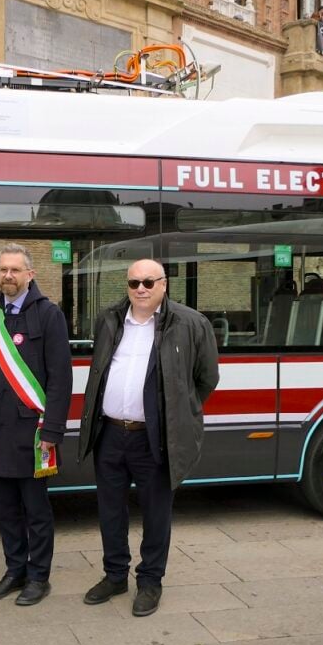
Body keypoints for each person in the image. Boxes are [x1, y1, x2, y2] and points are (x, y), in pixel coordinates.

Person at [77, 259, 219, 617]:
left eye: (148, 282)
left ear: (164, 284)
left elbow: (207, 378)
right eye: (134, 283)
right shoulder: (110, 320)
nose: (141, 289)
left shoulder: (189, 323)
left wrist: (176, 413)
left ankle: (150, 581)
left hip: (154, 437)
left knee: (156, 514)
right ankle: (114, 576)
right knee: (110, 511)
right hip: (109, 432)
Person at [0, 244, 72, 606]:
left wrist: (52, 432)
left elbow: (60, 379)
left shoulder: (49, 315)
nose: (8, 276)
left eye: (15, 270)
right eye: (3, 270)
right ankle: (14, 571)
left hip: (32, 435)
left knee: (36, 511)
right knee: (5, 509)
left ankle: (38, 576)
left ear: (30, 274)